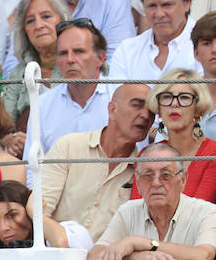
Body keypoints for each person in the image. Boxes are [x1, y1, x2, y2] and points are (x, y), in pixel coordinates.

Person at [89, 142, 216, 260]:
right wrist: (135, 257)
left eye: (166, 175)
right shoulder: (127, 212)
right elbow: (94, 256)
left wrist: (140, 243)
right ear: (138, 183)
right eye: (148, 176)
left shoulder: (207, 212)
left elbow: (202, 256)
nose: (156, 183)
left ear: (183, 180)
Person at [43, 84, 152, 240]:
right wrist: (64, 241)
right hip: (59, 256)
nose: (146, 115)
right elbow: (38, 208)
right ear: (112, 109)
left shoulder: (145, 169)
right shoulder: (69, 147)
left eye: (152, 111)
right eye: (137, 105)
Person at [129, 69, 216, 204]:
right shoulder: (147, 155)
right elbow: (137, 210)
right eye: (167, 97)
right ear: (158, 108)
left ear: (197, 108)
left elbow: (198, 211)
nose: (174, 104)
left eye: (184, 97)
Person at [108, 0, 202, 81]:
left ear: (186, 4)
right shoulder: (127, 51)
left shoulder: (207, 45)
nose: (159, 14)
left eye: (167, 5)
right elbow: (118, 98)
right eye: (152, 6)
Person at [31, 17, 110, 154]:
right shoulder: (42, 105)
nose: (70, 59)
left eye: (79, 51)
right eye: (63, 53)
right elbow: (33, 166)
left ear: (101, 58)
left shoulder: (119, 97)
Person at [0, 0, 69, 124]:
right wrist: (11, 139)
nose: (39, 25)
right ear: (24, 30)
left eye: (46, 17)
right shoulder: (19, 73)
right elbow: (5, 126)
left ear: (62, 20)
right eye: (30, 21)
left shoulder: (79, 62)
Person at [0, 178, 94, 254]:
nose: (3, 228)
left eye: (12, 215)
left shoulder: (72, 231)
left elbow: (62, 244)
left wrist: (35, 213)